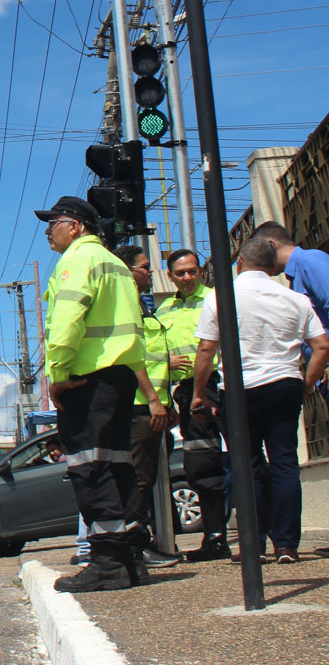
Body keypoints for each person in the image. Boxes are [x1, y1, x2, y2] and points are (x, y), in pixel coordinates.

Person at [191, 236, 329, 564]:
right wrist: (306, 384)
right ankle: (286, 544)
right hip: (284, 384)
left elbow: (207, 349)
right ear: (271, 267)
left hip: (240, 388)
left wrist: (199, 393)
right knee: (284, 463)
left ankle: (254, 544)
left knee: (247, 465)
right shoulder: (294, 298)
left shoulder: (220, 297)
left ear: (239, 262)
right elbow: (322, 346)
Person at [36, 196, 149, 593]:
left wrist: (59, 376)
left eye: (54, 223)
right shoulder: (117, 265)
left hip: (87, 380)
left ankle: (106, 562)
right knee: (120, 466)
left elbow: (67, 322)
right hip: (121, 377)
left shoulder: (76, 261)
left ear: (77, 226)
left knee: (90, 468)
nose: (48, 230)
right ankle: (132, 558)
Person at [117, 244, 184, 567]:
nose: (150, 272)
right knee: (139, 480)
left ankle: (141, 545)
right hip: (139, 406)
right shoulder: (126, 304)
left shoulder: (142, 306)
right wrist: (155, 400)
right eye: (144, 267)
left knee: (147, 477)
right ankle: (135, 548)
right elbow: (134, 358)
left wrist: (165, 401)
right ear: (128, 271)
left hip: (154, 406)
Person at [159, 250, 226, 561]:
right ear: (170, 275)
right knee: (201, 466)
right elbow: (156, 352)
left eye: (191, 271)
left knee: (249, 460)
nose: (186, 277)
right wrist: (165, 362)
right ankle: (215, 538)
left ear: (201, 271)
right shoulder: (165, 309)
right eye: (179, 273)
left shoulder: (215, 298)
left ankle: (266, 537)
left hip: (221, 385)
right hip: (187, 393)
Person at [250, 221, 329, 332]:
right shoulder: (296, 274)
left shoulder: (309, 260)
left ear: (271, 245)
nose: (259, 261)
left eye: (259, 253)